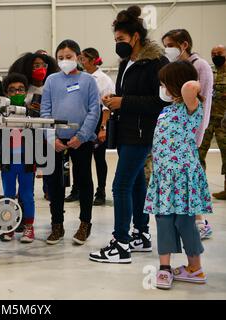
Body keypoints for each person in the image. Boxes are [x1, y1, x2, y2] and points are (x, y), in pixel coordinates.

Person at [89, 6, 169, 263]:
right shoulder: (126, 62)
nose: (118, 45)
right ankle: (141, 234)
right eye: (115, 41)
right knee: (136, 184)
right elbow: (128, 96)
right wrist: (114, 99)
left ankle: (121, 244)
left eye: (121, 40)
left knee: (120, 185)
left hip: (143, 133)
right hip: (126, 131)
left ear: (136, 36)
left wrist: (124, 102)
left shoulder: (156, 63)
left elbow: (161, 102)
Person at [143, 61, 213, 289]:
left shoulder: (191, 107)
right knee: (163, 221)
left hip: (183, 177)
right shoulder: (167, 109)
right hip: (164, 177)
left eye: (165, 84)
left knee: (185, 223)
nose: (162, 88)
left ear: (176, 84)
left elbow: (192, 86)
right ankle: (164, 268)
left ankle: (195, 267)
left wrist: (185, 76)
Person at [41, 39, 100, 245]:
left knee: (83, 180)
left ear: (78, 58)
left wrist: (82, 136)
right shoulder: (51, 81)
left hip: (81, 139)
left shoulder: (88, 81)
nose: (65, 61)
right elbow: (45, 110)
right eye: (61, 58)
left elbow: (95, 110)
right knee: (55, 183)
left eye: (69, 57)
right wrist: (51, 137)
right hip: (56, 140)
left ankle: (85, 224)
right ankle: (57, 224)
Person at [162, 29, 214, 239]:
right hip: (176, 133)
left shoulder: (200, 66)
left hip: (191, 132)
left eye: (170, 45)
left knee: (191, 178)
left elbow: (204, 101)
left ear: (183, 45)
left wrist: (197, 133)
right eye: (165, 45)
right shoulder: (175, 67)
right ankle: (188, 219)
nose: (167, 49)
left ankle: (200, 221)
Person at [66, 48, 115, 205]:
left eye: (84, 59)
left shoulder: (104, 79)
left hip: (98, 120)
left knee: (99, 158)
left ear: (93, 60)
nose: (81, 62)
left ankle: (100, 192)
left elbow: (106, 107)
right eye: (80, 59)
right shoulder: (80, 77)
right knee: (78, 157)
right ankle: (76, 189)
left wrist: (103, 128)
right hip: (81, 121)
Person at [8, 52, 60, 201]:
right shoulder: (23, 88)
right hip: (27, 136)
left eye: (43, 65)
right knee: (28, 168)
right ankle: (25, 195)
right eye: (36, 66)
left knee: (49, 167)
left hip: (47, 134)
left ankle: (49, 191)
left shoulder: (51, 87)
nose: (40, 69)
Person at [0, 73, 36, 243]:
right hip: (7, 162)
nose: (16, 93)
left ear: (26, 92)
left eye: (20, 90)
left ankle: (28, 227)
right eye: (12, 90)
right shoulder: (0, 114)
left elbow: (39, 137)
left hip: (27, 161)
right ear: (6, 94)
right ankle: (8, 226)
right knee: (8, 194)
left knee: (27, 195)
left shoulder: (32, 112)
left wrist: (38, 162)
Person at [199, 45, 226, 201]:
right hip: (208, 119)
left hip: (224, 121)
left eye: (219, 53)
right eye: (213, 53)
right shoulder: (210, 72)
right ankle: (200, 188)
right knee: (199, 153)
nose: (216, 56)